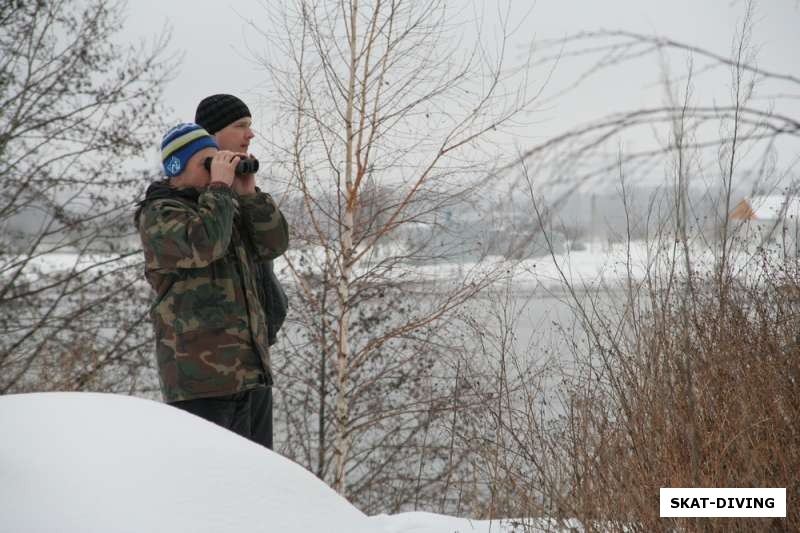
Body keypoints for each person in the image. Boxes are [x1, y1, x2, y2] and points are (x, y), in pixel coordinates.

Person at [136, 122, 289, 449]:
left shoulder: (225, 206)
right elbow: (206, 243)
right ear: (176, 166)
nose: (217, 169)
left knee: (260, 480)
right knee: (212, 483)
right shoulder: (160, 213)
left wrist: (248, 195)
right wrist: (220, 185)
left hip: (252, 375)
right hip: (201, 385)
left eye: (218, 160)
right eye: (207, 162)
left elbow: (273, 245)